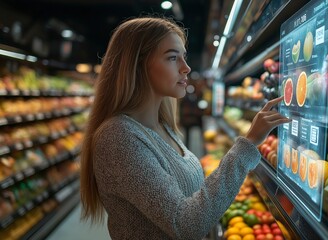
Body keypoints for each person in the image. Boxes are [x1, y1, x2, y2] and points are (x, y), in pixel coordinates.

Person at [79, 16, 290, 240]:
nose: (186, 68)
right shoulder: (118, 138)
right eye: (172, 58)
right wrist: (247, 145)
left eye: (184, 57)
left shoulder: (163, 128)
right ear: (138, 65)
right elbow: (186, 225)